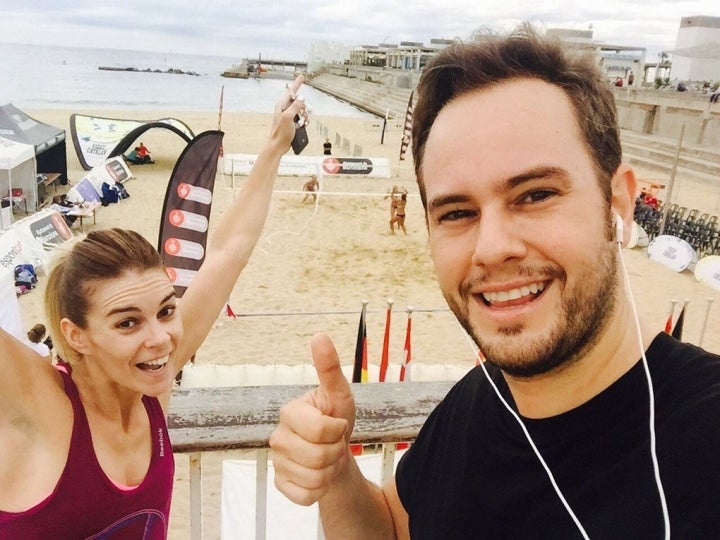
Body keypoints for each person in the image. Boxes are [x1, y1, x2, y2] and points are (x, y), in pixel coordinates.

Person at [269, 27, 720, 538]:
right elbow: (395, 528)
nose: (492, 247)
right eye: (458, 212)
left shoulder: (703, 440)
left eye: (534, 195)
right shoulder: (474, 405)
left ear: (617, 203)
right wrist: (338, 475)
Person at [0, 75, 308, 537]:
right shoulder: (40, 404)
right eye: (127, 323)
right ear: (75, 335)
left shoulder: (149, 386)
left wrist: (274, 147)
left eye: (165, 310)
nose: (161, 337)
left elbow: (227, 252)